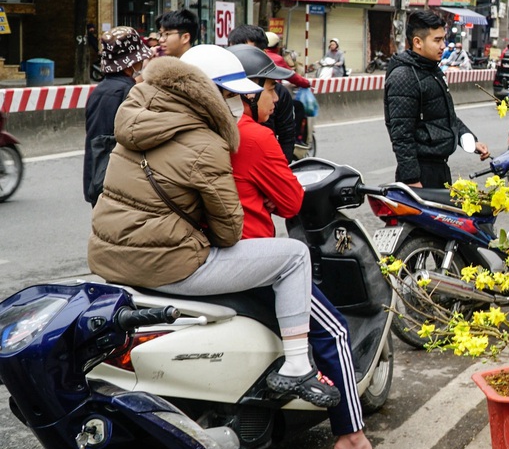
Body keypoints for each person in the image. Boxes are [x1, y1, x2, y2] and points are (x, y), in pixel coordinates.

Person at [87, 46, 340, 408]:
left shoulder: (133, 123)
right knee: (296, 256)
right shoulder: (207, 142)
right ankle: (298, 365)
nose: (238, 102)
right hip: (168, 267)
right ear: (210, 94)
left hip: (109, 260)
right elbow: (228, 232)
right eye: (232, 94)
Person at [226, 44, 393, 449]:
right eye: (270, 88)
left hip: (191, 259)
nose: (277, 97)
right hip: (252, 259)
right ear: (246, 93)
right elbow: (290, 202)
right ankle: (352, 441)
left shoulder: (198, 132)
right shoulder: (255, 137)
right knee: (334, 330)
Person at [384, 10, 490, 188]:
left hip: (439, 168)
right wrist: (412, 180)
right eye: (437, 40)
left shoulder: (432, 70)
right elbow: (402, 135)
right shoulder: (404, 76)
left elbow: (445, 116)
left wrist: (469, 139)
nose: (443, 46)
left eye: (443, 39)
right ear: (417, 42)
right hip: (420, 173)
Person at [83, 26, 153, 205]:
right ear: (130, 63)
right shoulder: (128, 92)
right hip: (115, 182)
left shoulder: (99, 90)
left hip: (95, 178)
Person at [229, 25, 297, 162]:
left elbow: (287, 136)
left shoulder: (280, 95)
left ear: (263, 53)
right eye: (234, 51)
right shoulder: (219, 91)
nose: (240, 57)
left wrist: (281, 166)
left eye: (247, 52)